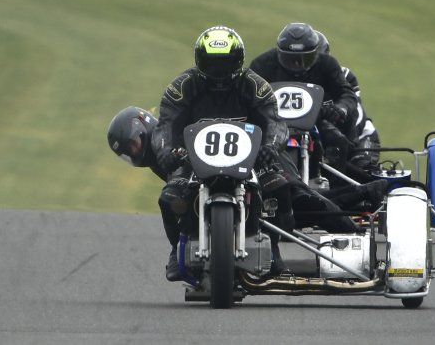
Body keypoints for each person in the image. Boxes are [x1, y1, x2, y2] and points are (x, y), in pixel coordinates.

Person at [151, 26, 287, 281]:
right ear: (199, 61)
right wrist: (165, 152)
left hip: (250, 155)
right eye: (212, 64)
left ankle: (274, 250)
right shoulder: (182, 86)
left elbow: (276, 122)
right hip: (193, 158)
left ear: (238, 61)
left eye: (225, 64)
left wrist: (271, 146)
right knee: (169, 198)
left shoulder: (255, 86)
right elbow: (164, 125)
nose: (218, 72)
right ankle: (176, 249)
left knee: (279, 186)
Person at [247, 23, 371, 173]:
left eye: (305, 59)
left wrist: (340, 108)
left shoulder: (327, 64)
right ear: (279, 53)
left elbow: (347, 94)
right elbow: (247, 95)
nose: (297, 65)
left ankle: (337, 186)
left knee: (339, 142)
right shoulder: (262, 64)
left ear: (315, 54)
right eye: (290, 59)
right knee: (253, 144)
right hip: (273, 123)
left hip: (314, 121)